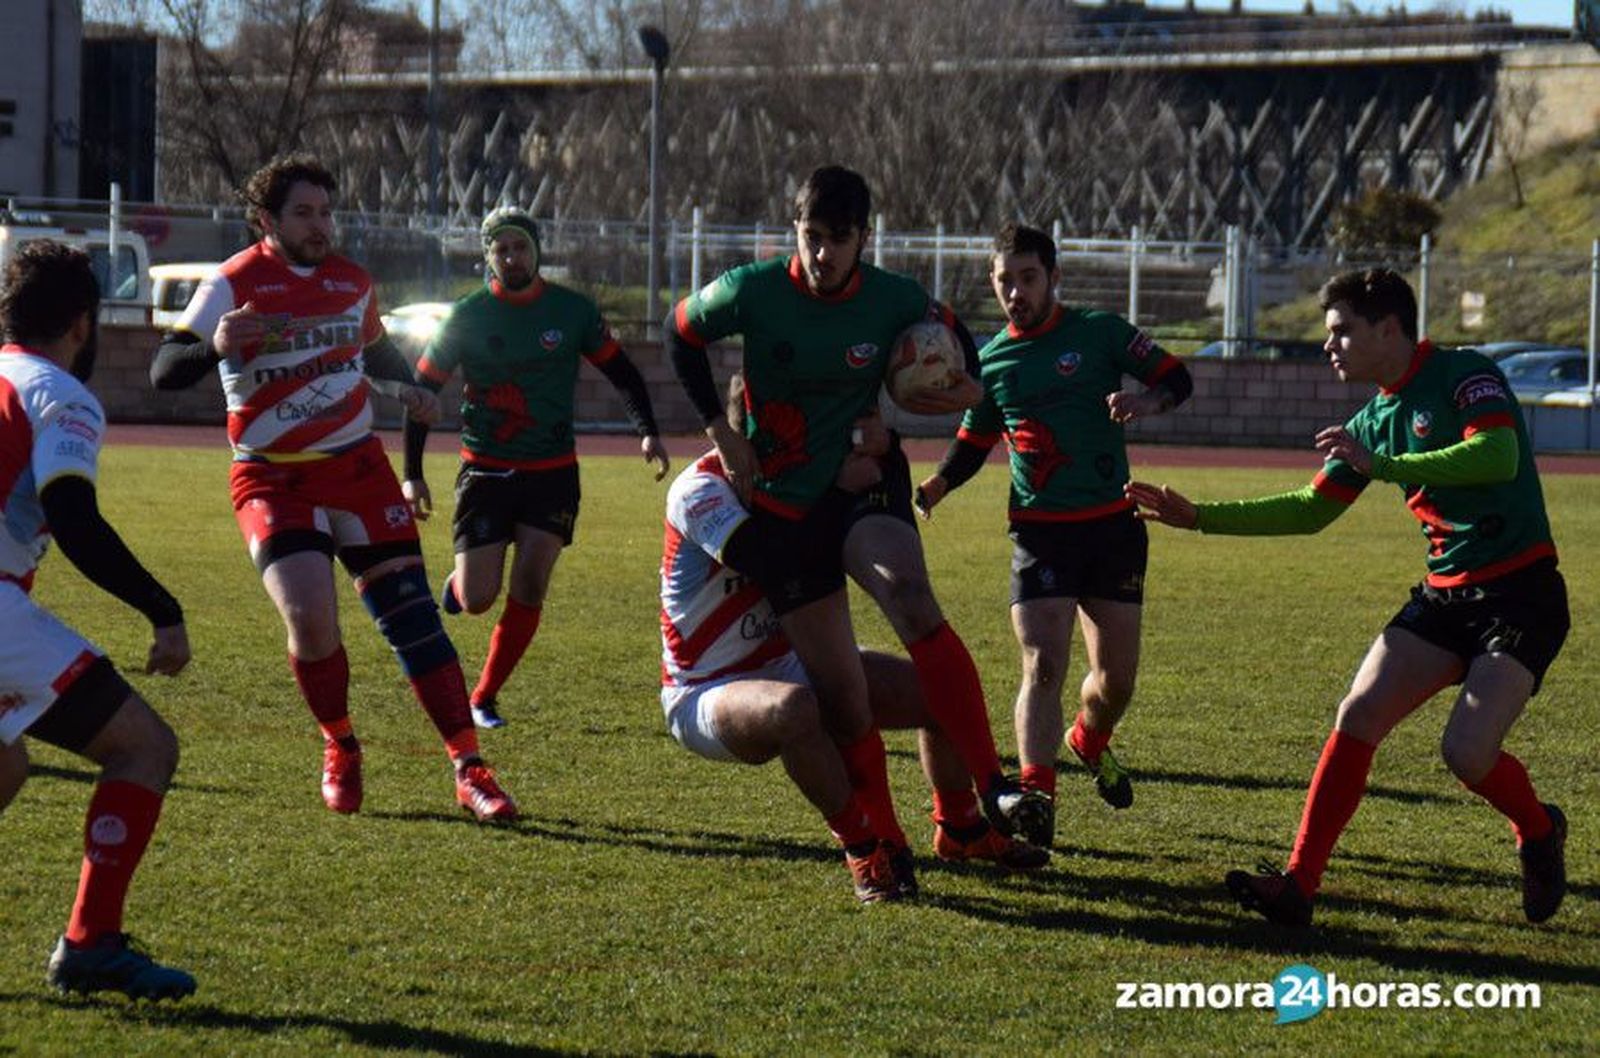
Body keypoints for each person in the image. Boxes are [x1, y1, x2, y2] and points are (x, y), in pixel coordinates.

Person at [1128, 267, 1569, 927]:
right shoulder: (1373, 418)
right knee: (1357, 713)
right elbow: (1311, 510)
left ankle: (1538, 831)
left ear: (1388, 328)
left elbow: (1498, 454)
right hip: (1445, 598)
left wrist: (1385, 465)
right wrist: (1202, 517)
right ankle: (1298, 885)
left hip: (1521, 592)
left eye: (1341, 332)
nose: (1329, 346)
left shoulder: (1464, 373)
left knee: (1466, 753)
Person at [665, 166, 1047, 894]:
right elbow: (677, 334)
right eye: (811, 238)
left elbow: (962, 359)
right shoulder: (753, 290)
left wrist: (914, 413)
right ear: (796, 231)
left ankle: (993, 790)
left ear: (863, 240)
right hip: (790, 508)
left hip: (864, 480)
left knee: (909, 594)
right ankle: (891, 846)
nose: (822, 255)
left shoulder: (895, 299)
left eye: (838, 241)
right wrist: (721, 429)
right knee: (841, 692)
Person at [150, 154, 517, 822]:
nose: (320, 226)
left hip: (355, 468)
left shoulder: (352, 280)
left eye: (326, 212)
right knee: (312, 621)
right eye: (304, 214)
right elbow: (164, 370)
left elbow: (371, 349)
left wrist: (409, 386)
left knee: (414, 621)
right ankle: (341, 744)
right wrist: (216, 346)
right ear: (267, 220)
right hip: (271, 475)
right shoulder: (231, 284)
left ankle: (470, 767)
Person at [660, 434, 1048, 902]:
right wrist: (840, 493)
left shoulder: (803, 472)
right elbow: (766, 559)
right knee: (794, 710)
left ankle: (962, 828)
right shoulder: (699, 489)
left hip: (795, 659)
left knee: (936, 692)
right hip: (706, 687)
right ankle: (864, 849)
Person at [916, 222, 1193, 847]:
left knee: (1116, 680)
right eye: (1004, 281)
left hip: (1113, 529)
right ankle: (1036, 800)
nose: (1015, 292)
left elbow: (1178, 376)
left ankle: (1090, 738)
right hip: (1040, 533)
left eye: (1027, 277)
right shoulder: (992, 360)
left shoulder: (1100, 332)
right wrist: (936, 486)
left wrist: (1147, 403)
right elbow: (972, 441)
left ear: (1054, 277)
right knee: (1042, 662)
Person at [1, 241, 196, 999]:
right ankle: (91, 942)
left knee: (6, 763)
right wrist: (161, 608)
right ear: (83, 324)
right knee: (144, 748)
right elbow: (73, 518)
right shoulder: (57, 393)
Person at [401, 206, 669, 730]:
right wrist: (412, 472)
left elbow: (623, 371)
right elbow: (422, 394)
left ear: (537, 250)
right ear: (488, 257)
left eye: (520, 246)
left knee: (531, 584)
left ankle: (484, 697)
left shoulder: (571, 311)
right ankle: (457, 587)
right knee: (479, 598)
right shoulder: (466, 316)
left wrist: (647, 431)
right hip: (486, 472)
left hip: (552, 472)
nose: (512, 257)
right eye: (501, 249)